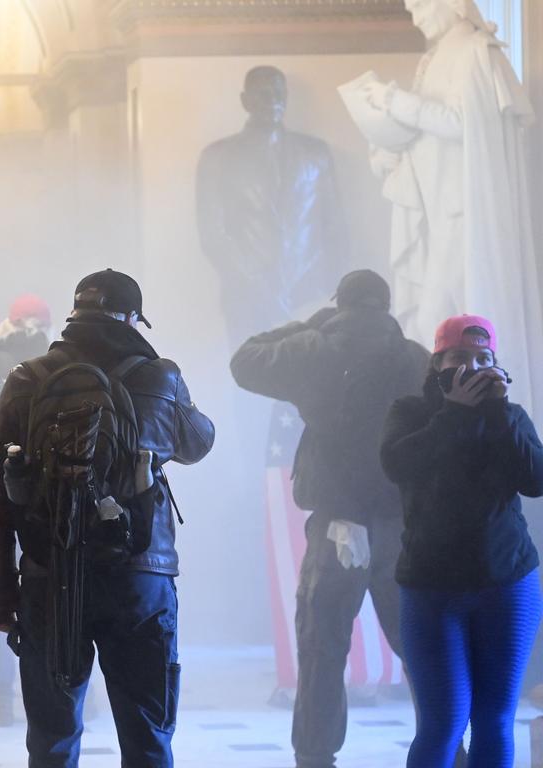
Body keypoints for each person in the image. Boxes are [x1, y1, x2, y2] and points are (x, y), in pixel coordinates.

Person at [0, 269, 215, 767]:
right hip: (140, 579)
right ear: (132, 319)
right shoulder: (160, 376)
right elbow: (199, 442)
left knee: (51, 737)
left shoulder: (28, 378)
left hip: (50, 577)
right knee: (147, 735)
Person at [230, 270, 429, 768]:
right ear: (387, 306)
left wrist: (315, 322)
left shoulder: (315, 347)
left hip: (336, 522)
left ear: (340, 304)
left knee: (323, 649)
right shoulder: (415, 359)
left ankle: (315, 757)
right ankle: (448, 745)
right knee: (422, 650)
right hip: (399, 524)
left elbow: (244, 360)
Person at [359, 0, 542, 413]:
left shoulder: (475, 50)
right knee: (431, 324)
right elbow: (433, 136)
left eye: (422, 4)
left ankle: (470, 412)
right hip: (438, 211)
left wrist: (396, 103)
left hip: (465, 214)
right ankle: (441, 414)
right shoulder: (437, 56)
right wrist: (391, 146)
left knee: (453, 320)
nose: (415, 14)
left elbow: (465, 125)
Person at [380, 315, 543, 768]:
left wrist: (498, 412)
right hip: (432, 588)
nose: (471, 368)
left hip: (508, 583)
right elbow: (396, 466)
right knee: (443, 722)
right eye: (459, 357)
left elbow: (536, 481)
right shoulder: (410, 412)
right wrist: (453, 413)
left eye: (483, 358)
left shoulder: (508, 416)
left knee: (494, 720)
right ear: (438, 364)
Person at [196, 65, 347, 345]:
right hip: (247, 296)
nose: (273, 100)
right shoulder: (218, 157)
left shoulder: (316, 153)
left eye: (279, 93)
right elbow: (212, 233)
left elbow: (334, 225)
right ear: (245, 101)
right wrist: (254, 283)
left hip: (309, 294)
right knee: (247, 379)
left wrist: (333, 289)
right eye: (263, 94)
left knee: (305, 384)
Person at [0, 293, 52, 727]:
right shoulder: (56, 362)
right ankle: (14, 695)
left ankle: (1, 698)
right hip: (42, 500)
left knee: (1, 592)